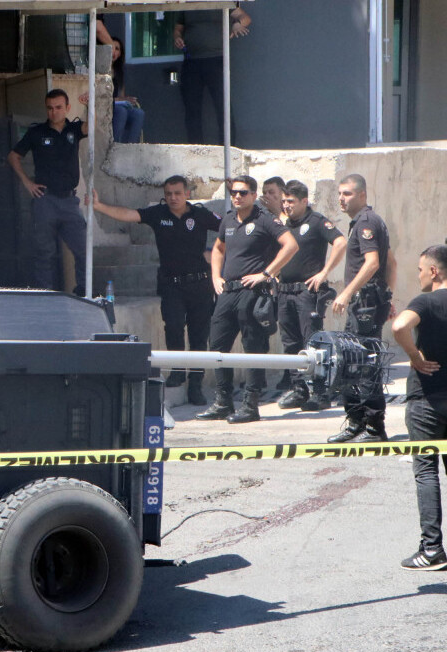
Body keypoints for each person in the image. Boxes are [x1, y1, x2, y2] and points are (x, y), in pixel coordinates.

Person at [90, 176, 219, 404]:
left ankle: (196, 385)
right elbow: (130, 215)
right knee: (174, 327)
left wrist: (216, 254)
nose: (173, 198)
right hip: (171, 284)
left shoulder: (201, 215)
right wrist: (99, 206)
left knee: (199, 337)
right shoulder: (159, 214)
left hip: (199, 284)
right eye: (168, 194)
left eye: (177, 193)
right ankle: (177, 372)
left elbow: (228, 228)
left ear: (187, 194)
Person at [196, 175, 298, 424]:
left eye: (243, 192)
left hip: (253, 292)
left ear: (253, 195)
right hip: (227, 292)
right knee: (217, 345)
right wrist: (215, 277)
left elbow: (290, 245)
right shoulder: (229, 219)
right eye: (233, 192)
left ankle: (251, 405)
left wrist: (267, 274)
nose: (237, 196)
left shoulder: (265, 219)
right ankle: (223, 402)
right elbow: (218, 248)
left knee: (253, 348)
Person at [328, 174, 397, 443]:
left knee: (365, 363)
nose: (341, 199)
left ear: (362, 195)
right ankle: (357, 422)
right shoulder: (364, 222)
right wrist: (388, 298)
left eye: (347, 194)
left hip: (365, 303)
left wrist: (347, 292)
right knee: (353, 360)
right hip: (368, 301)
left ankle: (373, 427)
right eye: (340, 194)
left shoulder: (366, 222)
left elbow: (373, 263)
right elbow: (391, 262)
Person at [393, 245, 447, 571]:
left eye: (420, 270)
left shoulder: (426, 302)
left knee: (426, 471)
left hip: (427, 400)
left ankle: (432, 549)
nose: (418, 276)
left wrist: (414, 356)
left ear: (434, 271)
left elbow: (399, 327)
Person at [8, 89, 89, 294]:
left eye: (59, 107)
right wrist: (27, 182)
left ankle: (83, 291)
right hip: (45, 199)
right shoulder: (37, 132)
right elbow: (13, 156)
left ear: (67, 108)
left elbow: (91, 127)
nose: (54, 112)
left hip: (69, 200)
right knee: (44, 253)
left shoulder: (74, 129)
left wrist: (89, 105)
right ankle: (46, 295)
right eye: (50, 108)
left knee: (83, 249)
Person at [275, 180, 346, 410]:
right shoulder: (283, 225)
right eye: (284, 201)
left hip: (307, 293)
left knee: (313, 343)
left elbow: (340, 242)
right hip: (285, 292)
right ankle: (299, 390)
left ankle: (320, 393)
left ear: (304, 201)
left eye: (291, 201)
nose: (286, 205)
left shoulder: (316, 221)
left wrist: (324, 272)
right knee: (290, 343)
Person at [173, 6, 251, 144]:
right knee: (192, 109)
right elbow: (178, 29)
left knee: (223, 106)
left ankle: (228, 148)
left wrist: (237, 25)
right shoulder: (187, 3)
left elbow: (245, 18)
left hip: (216, 59)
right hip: (191, 60)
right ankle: (195, 149)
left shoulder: (220, 2)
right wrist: (177, 37)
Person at [109, 38, 145, 144]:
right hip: (106, 107)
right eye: (111, 48)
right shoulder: (100, 70)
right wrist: (120, 100)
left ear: (120, 53)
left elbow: (121, 96)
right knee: (121, 111)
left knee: (139, 113)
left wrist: (127, 100)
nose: (114, 51)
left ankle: (131, 147)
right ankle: (115, 145)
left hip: (116, 106)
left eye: (117, 49)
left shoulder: (119, 72)